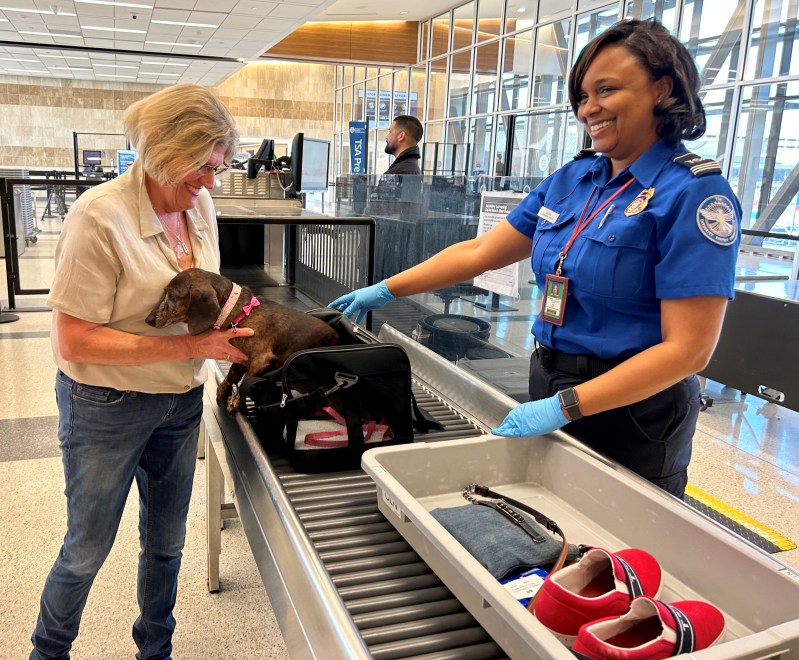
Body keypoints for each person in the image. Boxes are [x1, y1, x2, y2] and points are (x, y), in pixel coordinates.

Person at [330, 19, 741, 499]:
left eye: (606, 90)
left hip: (633, 409)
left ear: (662, 89)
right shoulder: (574, 179)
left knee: (620, 544)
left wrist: (566, 406)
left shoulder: (694, 193)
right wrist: (384, 289)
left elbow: (688, 350)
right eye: (583, 97)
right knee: (549, 517)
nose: (590, 109)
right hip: (551, 376)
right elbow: (480, 252)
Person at [30, 83, 253, 659]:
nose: (209, 182)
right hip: (106, 404)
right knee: (85, 549)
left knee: (166, 545)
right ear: (158, 146)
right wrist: (192, 348)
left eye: (217, 167)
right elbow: (75, 336)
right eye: (200, 167)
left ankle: (155, 650)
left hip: (179, 403)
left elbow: (205, 293)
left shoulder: (199, 205)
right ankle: (48, 652)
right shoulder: (98, 217)